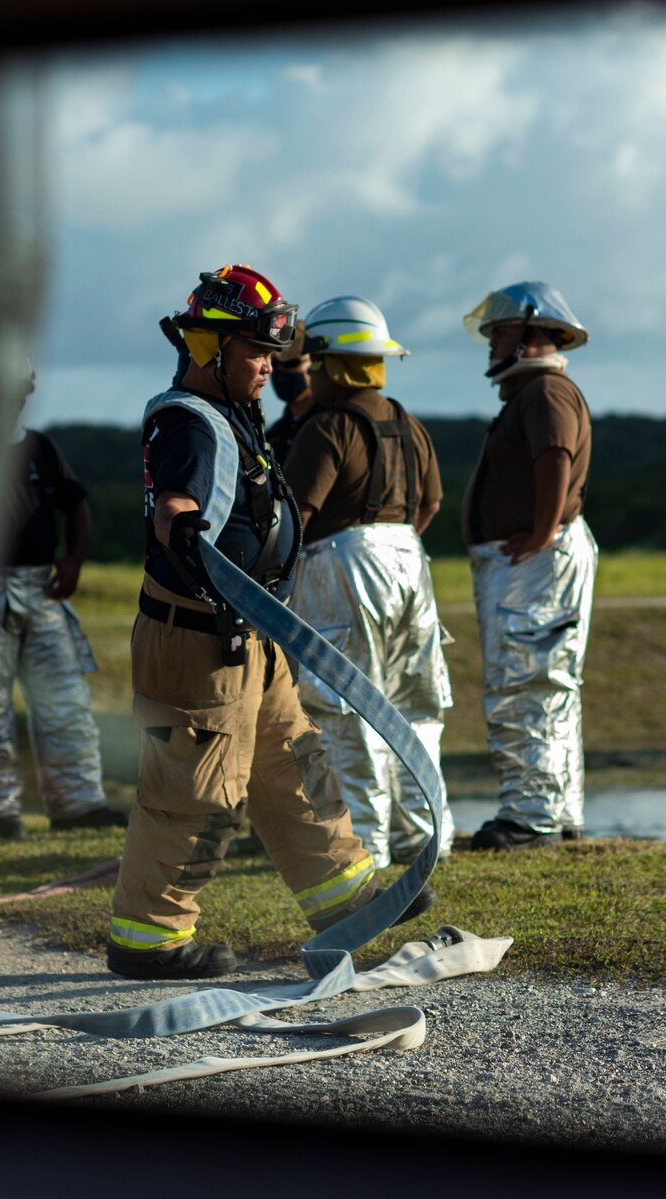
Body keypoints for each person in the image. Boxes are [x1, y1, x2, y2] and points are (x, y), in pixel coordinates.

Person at [108, 263, 433, 980]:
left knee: (294, 762)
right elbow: (176, 504)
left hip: (253, 633)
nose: (270, 365)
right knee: (196, 792)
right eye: (255, 351)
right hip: (196, 643)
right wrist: (183, 529)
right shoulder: (188, 422)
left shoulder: (235, 416)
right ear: (208, 349)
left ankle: (346, 897)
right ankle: (147, 937)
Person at [283, 296, 455, 868]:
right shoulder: (409, 422)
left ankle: (367, 845)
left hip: (343, 562)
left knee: (344, 705)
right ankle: (427, 834)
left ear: (330, 362)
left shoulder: (326, 427)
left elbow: (298, 515)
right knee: (415, 705)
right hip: (412, 560)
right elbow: (429, 503)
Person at [0, 367, 127, 840]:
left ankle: (78, 804)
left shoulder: (41, 448)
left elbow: (76, 504)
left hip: (41, 588)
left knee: (65, 701)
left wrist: (73, 561)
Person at [459, 281, 597, 850]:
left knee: (526, 682)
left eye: (501, 331)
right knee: (546, 683)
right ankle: (556, 812)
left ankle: (530, 818)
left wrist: (540, 532)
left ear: (532, 331)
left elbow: (554, 458)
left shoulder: (544, 391)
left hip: (537, 561)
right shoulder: (534, 391)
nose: (492, 342)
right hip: (539, 558)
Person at [266, 335, 315, 464]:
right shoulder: (273, 435)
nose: (280, 371)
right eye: (274, 364)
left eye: (290, 363)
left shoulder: (330, 426)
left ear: (314, 365)